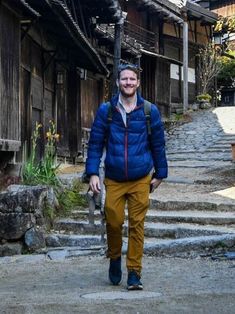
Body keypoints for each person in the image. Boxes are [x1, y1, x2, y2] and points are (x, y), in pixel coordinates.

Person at [85, 63, 168, 290]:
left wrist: (160, 173)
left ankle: (134, 273)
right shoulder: (107, 110)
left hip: (141, 176)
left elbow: (158, 144)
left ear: (138, 83)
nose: (128, 83)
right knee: (113, 221)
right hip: (113, 176)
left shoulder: (150, 111)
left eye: (132, 79)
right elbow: (95, 144)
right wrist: (92, 172)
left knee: (137, 225)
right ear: (118, 83)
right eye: (124, 79)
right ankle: (114, 257)